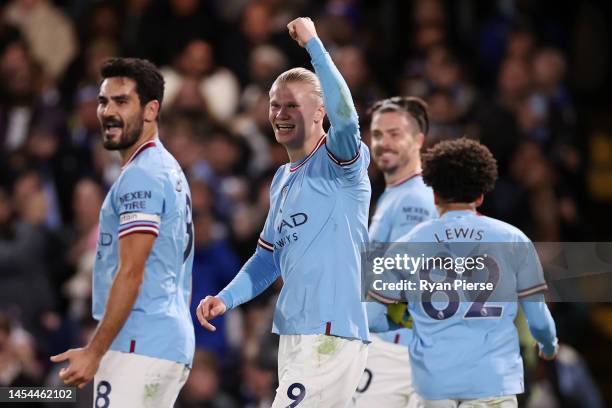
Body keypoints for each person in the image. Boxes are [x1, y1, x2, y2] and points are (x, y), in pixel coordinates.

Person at [197, 17, 371, 407]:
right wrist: (225, 299)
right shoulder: (281, 180)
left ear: (319, 110)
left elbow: (347, 117)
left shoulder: (338, 160)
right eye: (275, 104)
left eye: (292, 104)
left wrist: (313, 44)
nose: (280, 113)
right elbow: (267, 258)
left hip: (329, 330)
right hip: (295, 333)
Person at [368, 138, 558, 407]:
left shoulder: (406, 244)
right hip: (492, 381)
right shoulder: (514, 239)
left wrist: (411, 327)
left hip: (433, 383)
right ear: (480, 196)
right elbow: (538, 321)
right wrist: (548, 346)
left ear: (434, 195)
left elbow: (372, 318)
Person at [51, 58, 194, 407]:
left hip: (139, 341)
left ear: (151, 109)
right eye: (103, 101)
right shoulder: (163, 167)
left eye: (121, 101)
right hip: (159, 339)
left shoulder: (142, 174)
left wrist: (94, 351)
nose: (108, 111)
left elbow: (132, 272)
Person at [353, 96, 435, 408]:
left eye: (394, 134)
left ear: (418, 140)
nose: (383, 143)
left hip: (395, 348)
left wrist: (349, 326)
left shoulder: (414, 200)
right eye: (376, 135)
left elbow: (395, 280)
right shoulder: (396, 195)